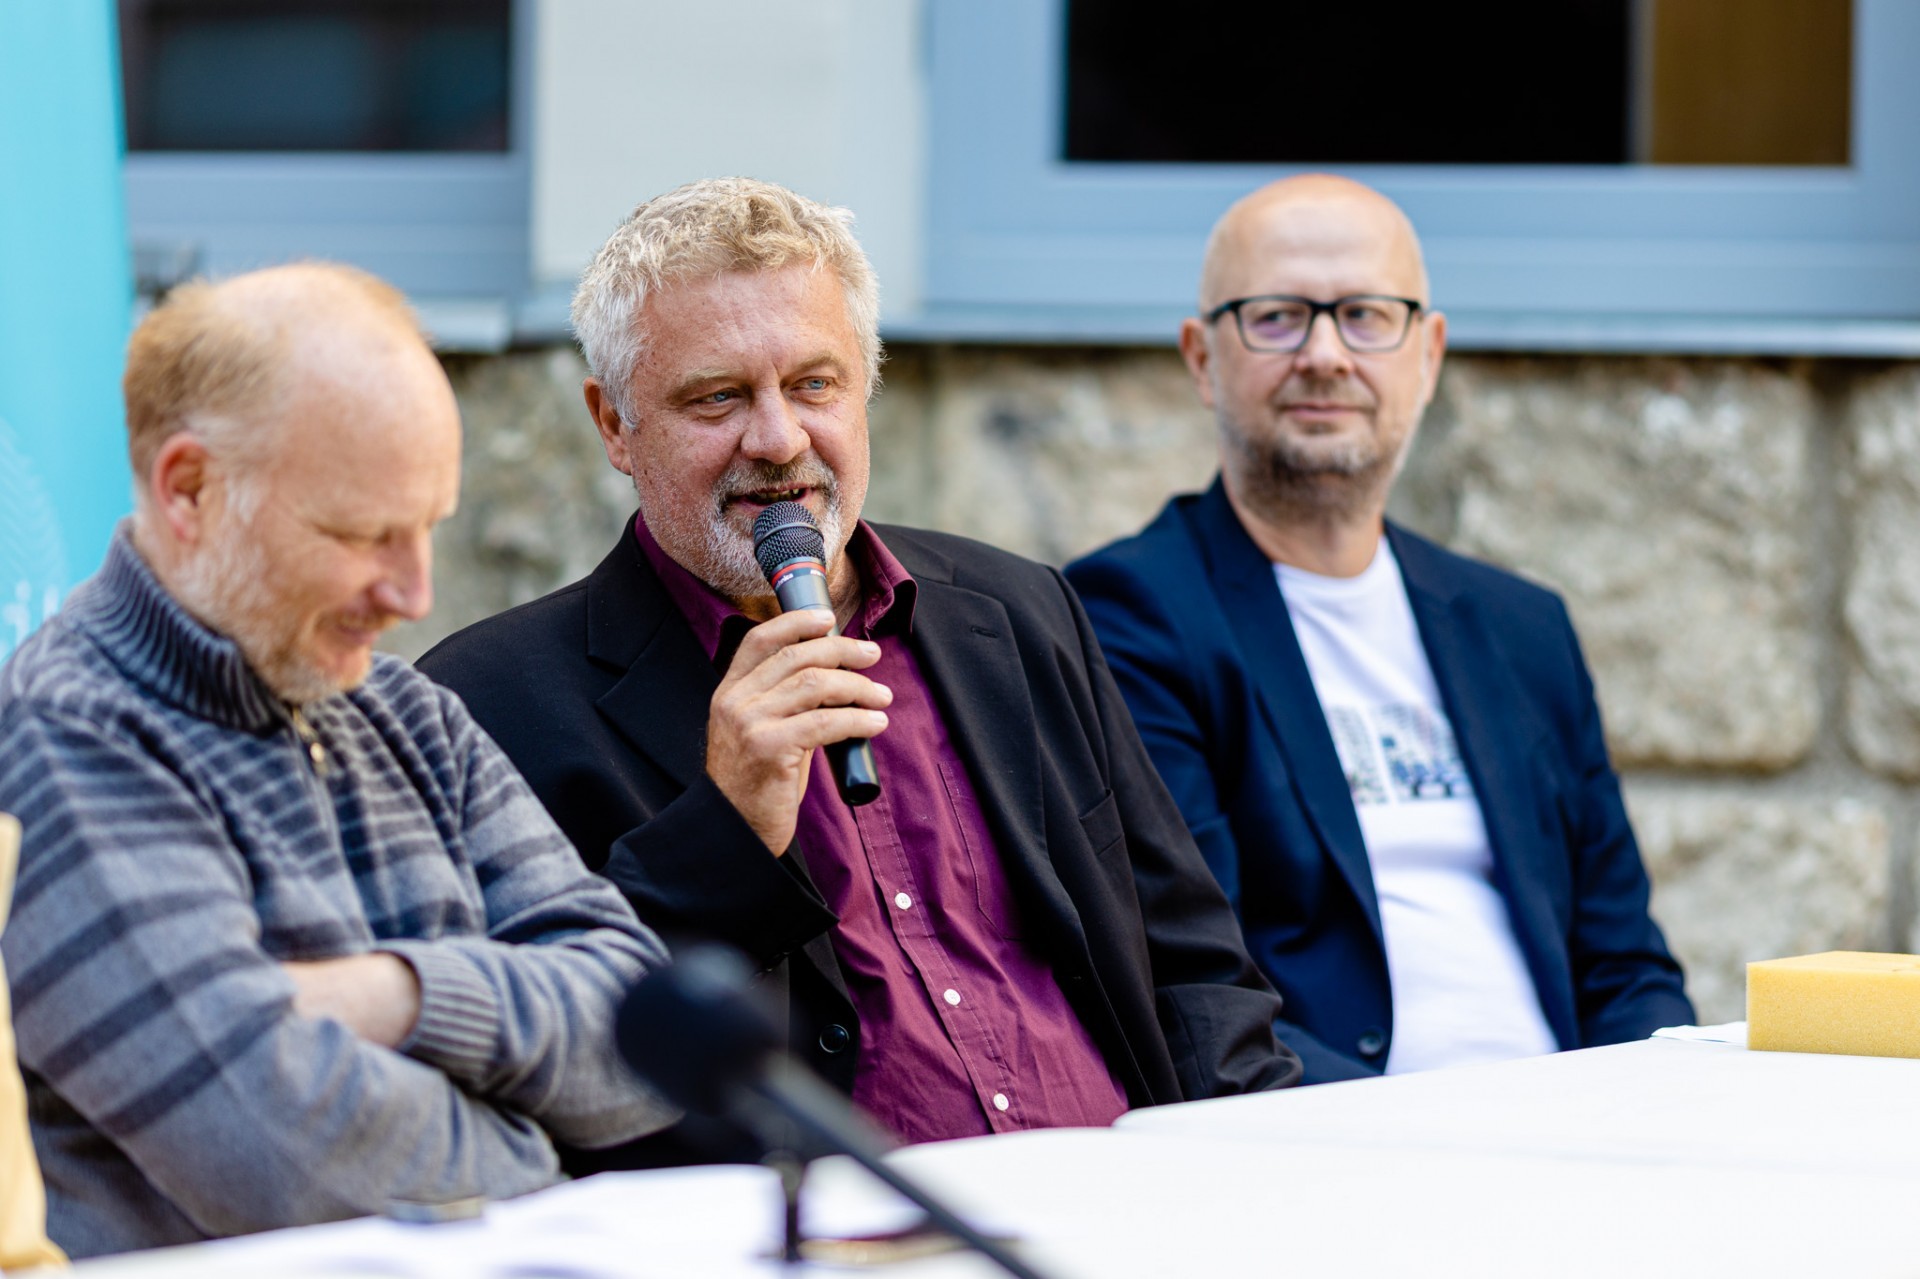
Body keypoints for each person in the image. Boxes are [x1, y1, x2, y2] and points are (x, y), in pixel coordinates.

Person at [420, 178, 1299, 1161]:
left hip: (1118, 1193)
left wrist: (1257, 1173)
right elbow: (547, 1055)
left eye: (814, 385)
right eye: (717, 397)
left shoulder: (1018, 611)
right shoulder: (490, 704)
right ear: (615, 424)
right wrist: (729, 828)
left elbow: (1194, 965)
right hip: (822, 1221)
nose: (778, 439)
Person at [0, 264, 676, 1258]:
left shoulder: (406, 711)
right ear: (188, 489)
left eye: (429, 528)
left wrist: (395, 995)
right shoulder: (62, 735)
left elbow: (647, 1041)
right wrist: (533, 1153)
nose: (414, 592)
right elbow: (272, 1149)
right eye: (364, 534)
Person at [1066, 175, 1693, 1084]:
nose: (1325, 354)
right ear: (1202, 358)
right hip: (1335, 1137)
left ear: (1427, 355)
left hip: (1574, 1123)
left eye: (1365, 315)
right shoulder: (1128, 616)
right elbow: (1197, 993)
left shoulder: (1523, 629)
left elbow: (1627, 967)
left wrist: (1652, 1105)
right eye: (1277, 317)